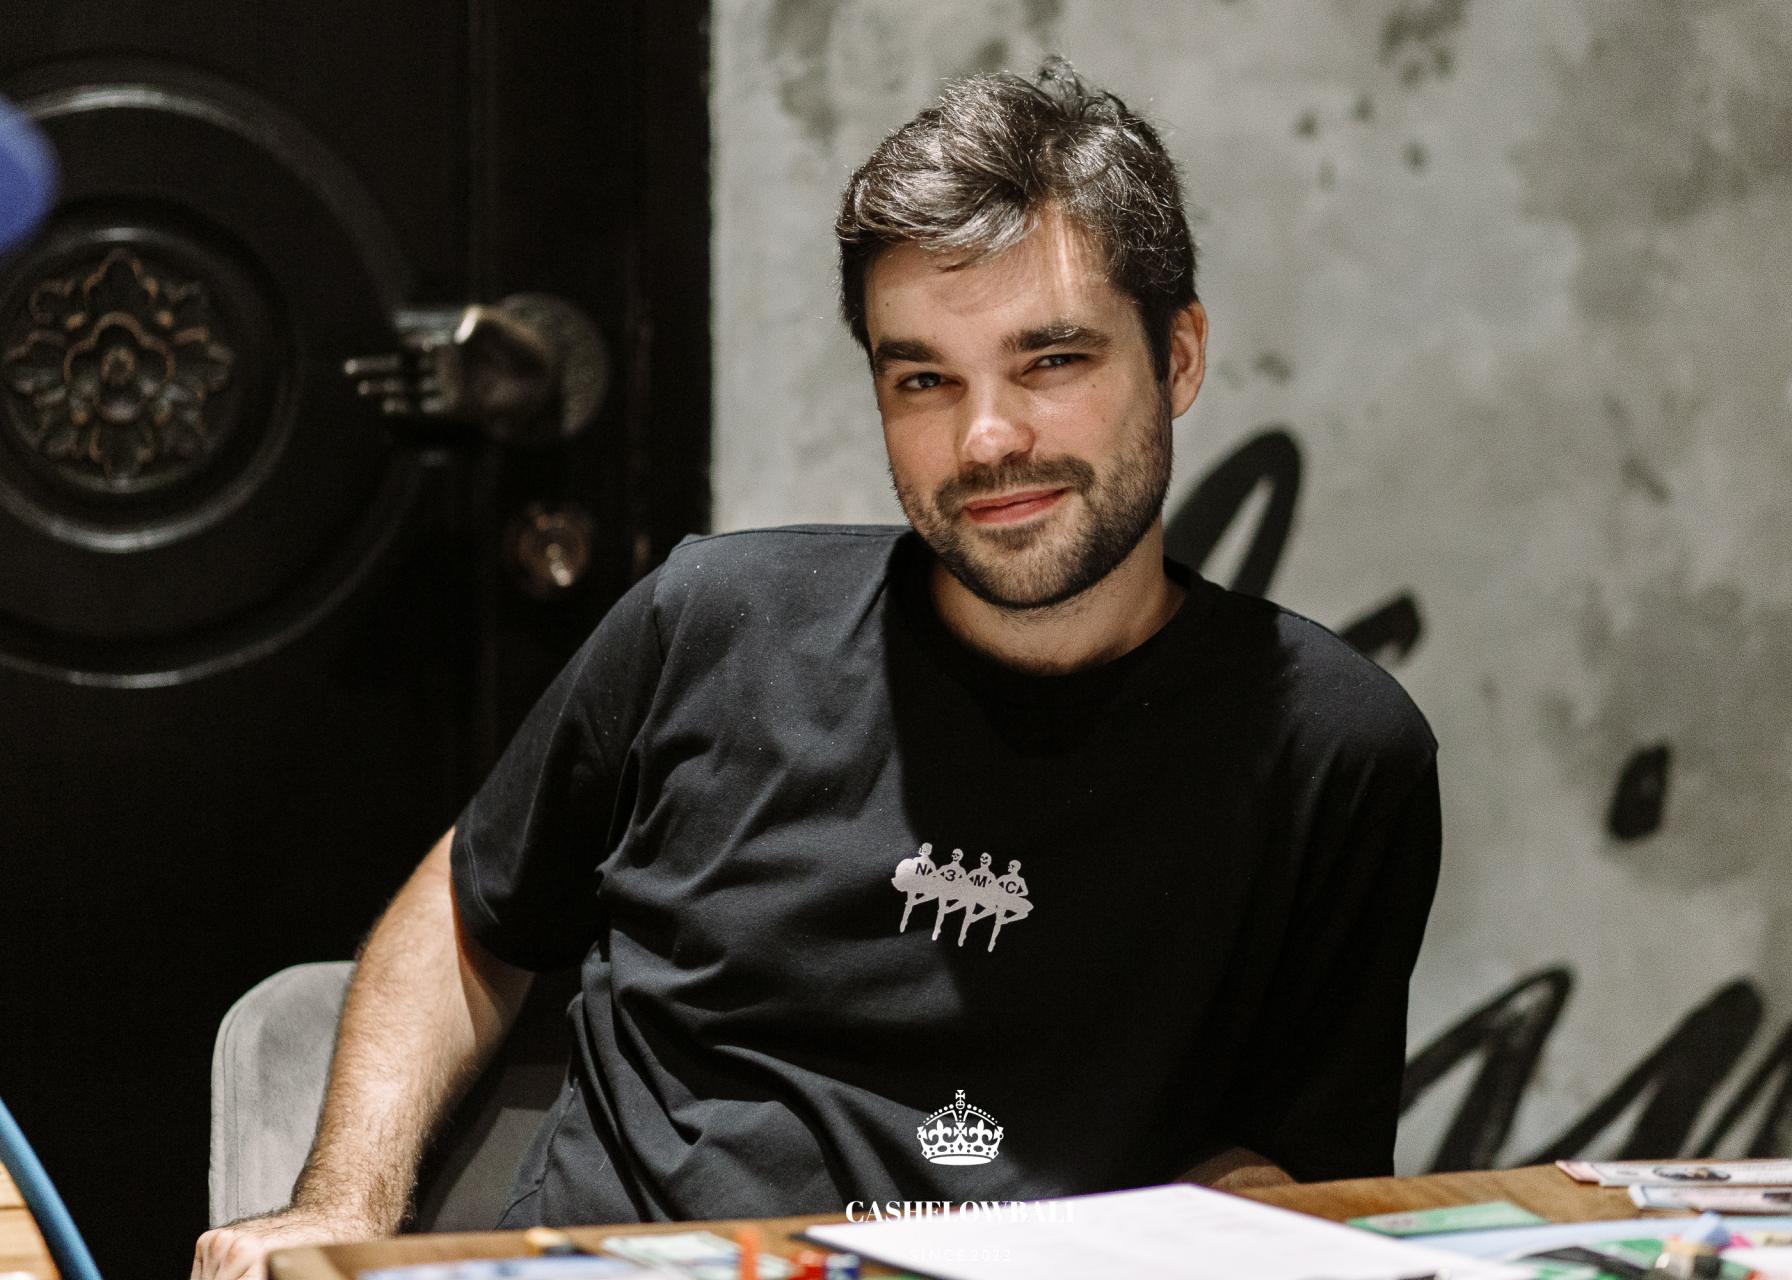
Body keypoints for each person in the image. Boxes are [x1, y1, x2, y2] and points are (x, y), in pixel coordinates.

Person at [191, 58, 1440, 1279]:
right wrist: (340, 1204)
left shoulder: (1331, 746)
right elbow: (471, 910)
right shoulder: (713, 622)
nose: (987, 438)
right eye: (924, 378)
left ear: (1178, 357)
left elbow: (1287, 1166)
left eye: (1051, 360)